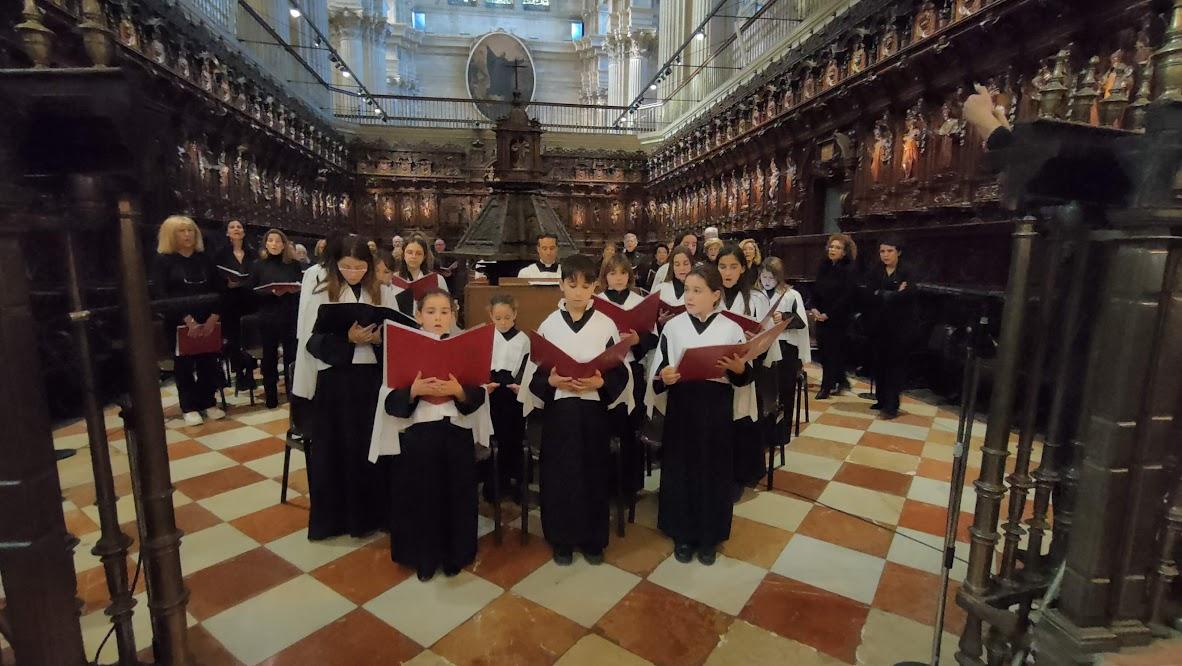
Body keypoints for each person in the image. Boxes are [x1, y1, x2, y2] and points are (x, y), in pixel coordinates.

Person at [519, 254, 630, 566]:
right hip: (561, 413)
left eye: (586, 285)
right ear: (561, 286)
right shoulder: (549, 325)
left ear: (595, 286)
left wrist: (599, 382)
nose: (579, 291)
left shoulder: (606, 324)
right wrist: (551, 381)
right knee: (560, 474)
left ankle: (593, 540)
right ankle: (562, 539)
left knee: (594, 472)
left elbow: (620, 371)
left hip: (594, 413)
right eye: (572, 285)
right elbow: (535, 370)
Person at [380, 289, 490, 581]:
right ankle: (423, 558)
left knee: (457, 495)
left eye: (444, 312)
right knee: (421, 497)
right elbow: (389, 400)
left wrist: (458, 391)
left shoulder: (465, 346)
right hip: (418, 435)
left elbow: (477, 394)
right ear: (418, 316)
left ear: (453, 316)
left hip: (455, 433)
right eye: (431, 311)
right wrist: (414, 391)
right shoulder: (403, 346)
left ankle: (455, 555)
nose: (438, 318)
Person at [648, 262, 752, 565]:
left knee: (713, 469)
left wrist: (738, 368)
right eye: (687, 290)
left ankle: (709, 536)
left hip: (715, 405)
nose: (689, 297)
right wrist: (664, 377)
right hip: (683, 403)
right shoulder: (674, 326)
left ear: (716, 295)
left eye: (697, 291)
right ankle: (682, 533)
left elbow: (744, 378)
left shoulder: (731, 328)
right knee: (681, 468)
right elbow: (660, 371)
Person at [303, 236, 391, 540]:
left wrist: (381, 340)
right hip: (336, 381)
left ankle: (374, 516)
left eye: (359, 267)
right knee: (338, 449)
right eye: (346, 267)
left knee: (371, 448)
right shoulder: (320, 289)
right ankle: (338, 520)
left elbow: (398, 332)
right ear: (335, 265)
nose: (353, 273)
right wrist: (347, 340)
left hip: (371, 380)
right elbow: (310, 341)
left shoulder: (381, 290)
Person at [152, 215, 225, 426]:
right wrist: (188, 320)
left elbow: (220, 290)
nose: (187, 235)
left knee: (208, 362)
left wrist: (213, 317)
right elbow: (162, 294)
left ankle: (208, 402)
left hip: (209, 318)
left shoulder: (205, 258)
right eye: (182, 231)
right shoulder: (163, 261)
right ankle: (189, 406)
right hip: (179, 321)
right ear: (170, 235)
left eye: (191, 230)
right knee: (184, 366)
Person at [716, 243, 777, 492]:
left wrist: (756, 337)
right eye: (721, 266)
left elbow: (769, 336)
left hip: (745, 366)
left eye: (733, 266)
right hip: (715, 365)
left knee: (739, 417)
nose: (727, 272)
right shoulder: (710, 294)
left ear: (743, 268)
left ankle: (738, 476)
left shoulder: (756, 298)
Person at [596, 255, 653, 506]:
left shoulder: (638, 301)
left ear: (629, 276)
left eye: (622, 273)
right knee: (605, 428)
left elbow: (653, 338)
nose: (618, 278)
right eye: (612, 273)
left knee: (631, 428)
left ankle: (629, 486)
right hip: (607, 372)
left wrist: (636, 340)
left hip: (632, 368)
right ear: (604, 277)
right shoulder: (596, 303)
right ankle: (605, 484)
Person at [863, 236, 918, 420]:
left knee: (895, 366)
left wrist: (884, 294)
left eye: (889, 251)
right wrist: (894, 293)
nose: (885, 255)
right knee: (880, 364)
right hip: (879, 326)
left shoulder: (907, 271)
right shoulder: (875, 271)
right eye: (882, 251)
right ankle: (881, 399)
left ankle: (891, 405)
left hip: (900, 328)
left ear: (898, 252)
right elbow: (870, 295)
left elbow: (908, 295)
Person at [250, 229, 303, 409]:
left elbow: (300, 288)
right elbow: (251, 292)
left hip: (289, 314)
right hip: (268, 315)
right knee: (269, 356)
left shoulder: (293, 264)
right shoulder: (258, 265)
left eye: (278, 241)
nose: (274, 244)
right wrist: (269, 292)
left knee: (291, 355)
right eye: (270, 241)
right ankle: (271, 394)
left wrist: (291, 290)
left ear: (284, 244)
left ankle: (292, 393)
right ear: (265, 244)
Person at [760, 258, 811, 443]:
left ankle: (782, 433)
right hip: (764, 347)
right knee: (765, 391)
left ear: (779, 277)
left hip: (786, 348)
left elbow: (801, 322)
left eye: (771, 277)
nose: (766, 281)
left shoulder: (791, 295)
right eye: (763, 276)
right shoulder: (757, 295)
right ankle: (765, 432)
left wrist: (784, 317)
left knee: (784, 391)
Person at [485, 294, 530, 503]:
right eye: (498, 318)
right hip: (493, 391)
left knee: (514, 436)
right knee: (495, 436)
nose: (503, 322)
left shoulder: (523, 340)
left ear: (515, 315)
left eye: (507, 317)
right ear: (491, 316)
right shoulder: (487, 336)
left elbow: (526, 367)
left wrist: (520, 386)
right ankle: (494, 483)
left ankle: (517, 482)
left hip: (513, 393)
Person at [810, 234, 858, 400]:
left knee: (832, 352)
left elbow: (846, 296)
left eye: (837, 248)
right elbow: (816, 289)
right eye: (831, 247)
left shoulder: (849, 269)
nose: (833, 250)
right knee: (824, 352)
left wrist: (828, 314)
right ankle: (842, 380)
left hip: (839, 318)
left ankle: (826, 387)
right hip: (821, 316)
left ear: (844, 252)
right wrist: (814, 307)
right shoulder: (824, 266)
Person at [213, 219, 257, 392]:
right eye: (232, 227)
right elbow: (215, 277)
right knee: (234, 339)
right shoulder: (220, 254)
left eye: (239, 227)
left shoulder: (252, 253)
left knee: (249, 336)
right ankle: (239, 373)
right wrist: (227, 283)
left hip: (250, 299)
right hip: (230, 301)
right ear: (227, 233)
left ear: (244, 233)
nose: (236, 229)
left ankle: (251, 373)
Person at [392, 235, 449, 316]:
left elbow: (445, 307)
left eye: (418, 253)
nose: (413, 256)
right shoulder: (392, 280)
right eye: (409, 252)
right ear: (403, 255)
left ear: (424, 256)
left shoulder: (437, 279)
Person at [654, 245, 695, 321]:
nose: (682, 268)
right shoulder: (660, 289)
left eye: (686, 264)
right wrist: (659, 321)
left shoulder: (702, 289)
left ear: (691, 265)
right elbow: (651, 321)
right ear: (672, 267)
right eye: (677, 264)